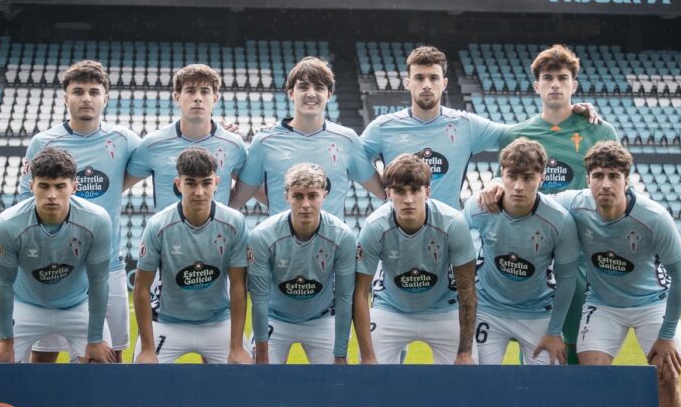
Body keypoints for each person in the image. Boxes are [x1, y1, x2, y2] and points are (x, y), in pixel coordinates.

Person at [550, 141, 681, 407]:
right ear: (588, 179)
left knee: (668, 379)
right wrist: (495, 188)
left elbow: (680, 277)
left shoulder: (653, 217)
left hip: (652, 305)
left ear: (627, 180)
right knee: (593, 381)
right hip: (603, 305)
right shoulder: (574, 203)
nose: (606, 184)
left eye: (614, 176)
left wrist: (667, 335)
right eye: (598, 176)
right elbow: (534, 200)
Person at [0, 60, 140, 363]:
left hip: (107, 262)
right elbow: (27, 199)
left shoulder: (124, 139)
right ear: (65, 97)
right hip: (56, 263)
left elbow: (162, 154)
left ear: (105, 98)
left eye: (94, 91)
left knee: (109, 355)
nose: (86, 98)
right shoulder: (43, 142)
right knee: (44, 354)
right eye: (78, 91)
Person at [495, 44, 620, 365]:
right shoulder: (516, 135)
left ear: (573, 85)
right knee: (534, 341)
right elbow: (506, 187)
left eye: (562, 78)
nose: (555, 84)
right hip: (530, 251)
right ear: (536, 86)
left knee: (578, 340)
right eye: (547, 78)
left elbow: (618, 188)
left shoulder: (599, 130)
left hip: (579, 252)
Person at [0, 147, 116, 364]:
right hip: (25, 304)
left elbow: (99, 281)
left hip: (77, 304)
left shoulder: (97, 220)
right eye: (44, 186)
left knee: (99, 365)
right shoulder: (8, 224)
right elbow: (3, 284)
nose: (52, 195)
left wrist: (95, 339)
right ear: (32, 186)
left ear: (74, 186)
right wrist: (5, 341)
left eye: (60, 186)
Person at [463, 139, 579, 365]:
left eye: (527, 178)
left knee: (550, 379)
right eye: (512, 176)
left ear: (541, 177)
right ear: (502, 174)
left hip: (537, 311)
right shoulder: (479, 207)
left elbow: (566, 278)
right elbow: (451, 240)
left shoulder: (559, 220)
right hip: (488, 308)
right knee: (477, 378)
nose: (518, 186)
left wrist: (555, 331)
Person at [354, 154, 476, 365]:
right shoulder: (374, 226)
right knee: (371, 378)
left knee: (465, 376)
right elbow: (360, 292)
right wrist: (367, 356)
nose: (408, 199)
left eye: (415, 190)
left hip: (443, 307)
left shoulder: (453, 223)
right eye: (400, 191)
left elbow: (467, 289)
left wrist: (465, 353)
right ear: (388, 193)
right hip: (390, 307)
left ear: (427, 191)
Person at [132, 147, 251, 365]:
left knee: (243, 370)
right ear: (178, 184)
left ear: (217, 183)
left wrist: (236, 347)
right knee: (143, 373)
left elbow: (237, 286)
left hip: (217, 320)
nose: (199, 192)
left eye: (206, 183)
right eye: (191, 183)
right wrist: (148, 349)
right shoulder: (158, 225)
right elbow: (141, 287)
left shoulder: (234, 222)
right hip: (167, 321)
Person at [229, 56, 384, 219]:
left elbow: (385, 192)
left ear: (329, 95)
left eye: (319, 88)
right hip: (281, 236)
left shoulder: (348, 140)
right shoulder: (264, 142)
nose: (311, 94)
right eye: (303, 87)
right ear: (291, 93)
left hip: (332, 236)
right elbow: (235, 201)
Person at [361, 45, 507, 208]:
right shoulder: (383, 127)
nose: (426, 85)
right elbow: (353, 157)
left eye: (434, 78)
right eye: (419, 78)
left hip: (449, 223)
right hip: (399, 223)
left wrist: (498, 179)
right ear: (408, 83)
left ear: (444, 83)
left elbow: (514, 136)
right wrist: (383, 191)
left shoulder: (467, 125)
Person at [247, 163, 363, 364]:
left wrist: (340, 354)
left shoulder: (342, 236)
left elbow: (345, 298)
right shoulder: (263, 236)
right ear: (287, 196)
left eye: (313, 196)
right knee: (260, 379)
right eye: (298, 196)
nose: (306, 204)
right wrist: (262, 352)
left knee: (336, 381)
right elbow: (259, 299)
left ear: (324, 195)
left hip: (322, 319)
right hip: (275, 318)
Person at [125, 63, 246, 209]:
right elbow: (115, 188)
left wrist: (226, 213)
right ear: (177, 97)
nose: (198, 98)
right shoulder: (152, 144)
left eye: (205, 91)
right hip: (168, 225)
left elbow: (254, 188)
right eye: (190, 91)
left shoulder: (234, 145)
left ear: (215, 98)